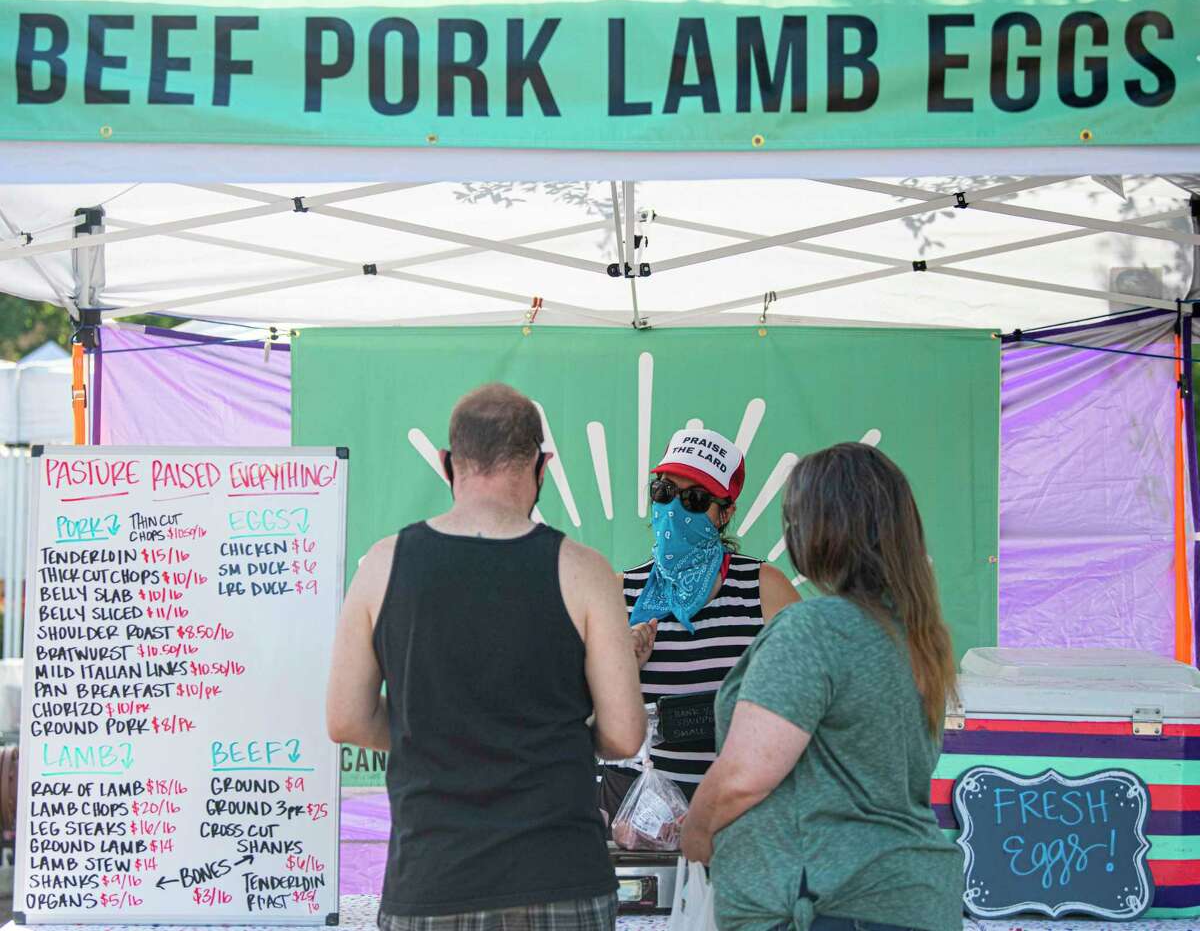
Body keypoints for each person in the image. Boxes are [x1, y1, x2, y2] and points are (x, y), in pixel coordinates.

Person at [326, 383, 646, 931]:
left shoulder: (383, 565)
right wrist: (548, 736)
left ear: (449, 464)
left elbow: (346, 719)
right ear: (541, 466)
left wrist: (429, 733)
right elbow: (623, 735)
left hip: (430, 879)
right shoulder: (585, 571)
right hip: (560, 875)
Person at [681, 443, 964, 931]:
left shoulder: (816, 627)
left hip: (831, 903)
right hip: (902, 897)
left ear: (817, 529)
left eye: (792, 518)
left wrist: (696, 834)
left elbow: (744, 776)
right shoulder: (914, 635)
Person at [601, 427, 797, 817]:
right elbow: (585, 723)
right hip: (638, 826)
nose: (673, 508)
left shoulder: (763, 589)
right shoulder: (619, 591)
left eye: (693, 499)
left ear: (724, 513)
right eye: (664, 492)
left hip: (739, 825)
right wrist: (621, 666)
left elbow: (809, 705)